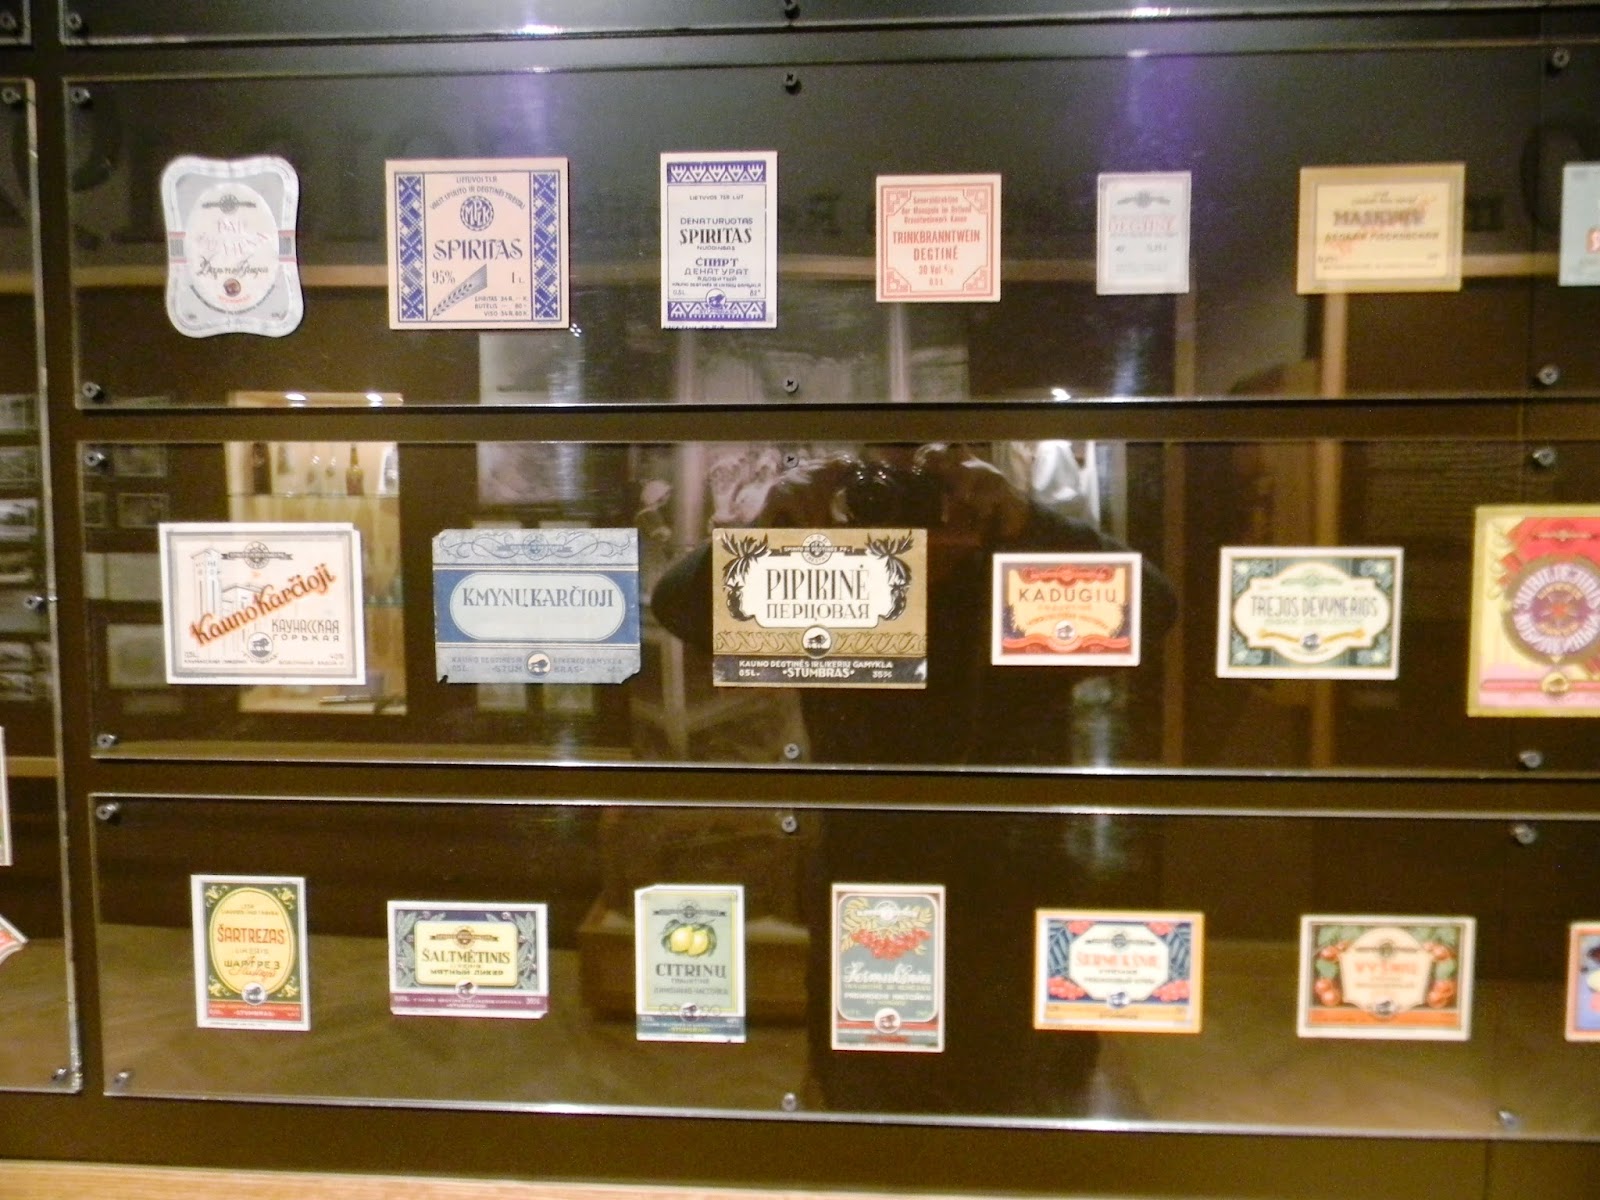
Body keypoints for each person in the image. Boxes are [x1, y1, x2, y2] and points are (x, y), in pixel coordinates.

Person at [652, 444, 1180, 1118]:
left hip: (1008, 895)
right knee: (874, 1105)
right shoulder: (841, 581)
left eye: (931, 490)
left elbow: (1154, 607)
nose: (912, 512)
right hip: (877, 892)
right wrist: (774, 526)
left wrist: (1026, 522)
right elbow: (680, 603)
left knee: (1024, 1099)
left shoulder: (1013, 579)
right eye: (887, 490)